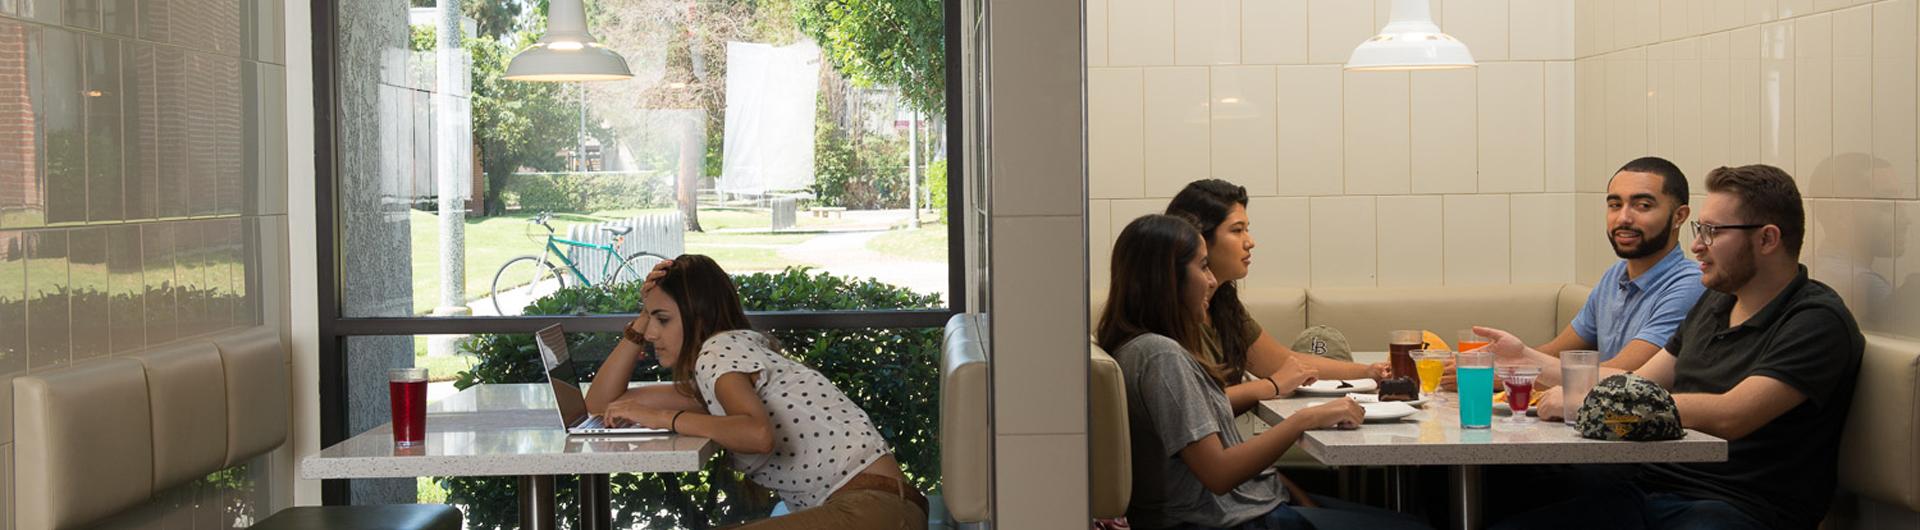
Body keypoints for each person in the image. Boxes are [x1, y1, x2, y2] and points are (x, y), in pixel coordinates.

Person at [1475, 165, 1864, 530]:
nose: (1696, 245)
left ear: (1767, 238)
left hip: (1737, 506)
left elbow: (1733, 415)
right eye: (1700, 229)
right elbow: (1639, 381)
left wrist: (1591, 402)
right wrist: (1524, 359)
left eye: (1712, 231)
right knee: (1493, 489)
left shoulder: (1815, 320)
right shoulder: (1716, 303)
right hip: (1653, 485)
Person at [1100, 213, 1430, 530]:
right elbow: (1218, 473)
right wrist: (1306, 418)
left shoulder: (1141, 347)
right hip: (1221, 521)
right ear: (1168, 279)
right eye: (1203, 266)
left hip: (1246, 508)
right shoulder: (1161, 356)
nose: (1213, 280)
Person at [586, 255, 927, 529]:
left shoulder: (718, 352)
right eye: (651, 320)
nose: (651, 333)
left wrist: (664, 419)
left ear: (698, 319)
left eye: (663, 320)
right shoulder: (717, 378)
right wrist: (643, 315)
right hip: (877, 509)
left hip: (874, 510)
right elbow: (602, 405)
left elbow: (758, 434)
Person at [1165, 180, 1390, 400]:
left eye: (1247, 230)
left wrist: (1368, 371)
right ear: (1197, 239)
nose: (1249, 242)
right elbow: (1198, 405)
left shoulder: (1223, 304)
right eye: (1237, 230)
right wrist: (1273, 386)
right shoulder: (1167, 317)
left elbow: (1283, 361)